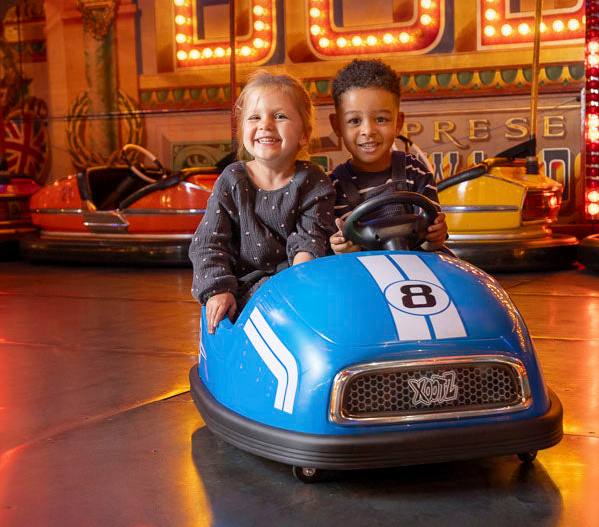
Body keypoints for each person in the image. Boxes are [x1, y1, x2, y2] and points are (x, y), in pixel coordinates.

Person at [190, 70, 335, 333]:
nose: (266, 124)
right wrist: (218, 289)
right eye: (255, 117)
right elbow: (208, 242)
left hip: (294, 281)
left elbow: (310, 240)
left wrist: (298, 289)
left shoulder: (313, 180)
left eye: (280, 116)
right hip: (243, 288)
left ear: (304, 134)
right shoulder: (232, 180)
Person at [326, 59, 448, 254]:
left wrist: (435, 236)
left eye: (381, 119)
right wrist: (342, 248)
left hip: (416, 262)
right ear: (337, 126)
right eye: (354, 121)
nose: (368, 130)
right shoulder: (333, 186)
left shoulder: (414, 171)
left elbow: (430, 241)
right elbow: (337, 247)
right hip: (364, 269)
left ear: (398, 123)